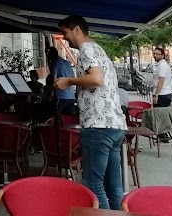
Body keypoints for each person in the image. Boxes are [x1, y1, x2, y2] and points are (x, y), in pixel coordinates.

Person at [54, 15, 128, 211]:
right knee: (114, 187)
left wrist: (69, 81)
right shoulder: (98, 49)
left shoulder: (86, 49)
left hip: (98, 126)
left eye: (66, 32)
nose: (65, 37)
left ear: (77, 30)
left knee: (94, 184)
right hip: (115, 125)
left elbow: (96, 79)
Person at [152, 46, 172, 145]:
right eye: (154, 53)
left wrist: (156, 95)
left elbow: (161, 81)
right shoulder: (161, 65)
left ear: (162, 55)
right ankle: (164, 135)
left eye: (157, 54)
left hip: (162, 94)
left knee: (163, 116)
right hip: (165, 93)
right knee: (164, 116)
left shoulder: (162, 66)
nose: (155, 55)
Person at [47, 46, 76, 114]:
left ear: (51, 54)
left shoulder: (54, 63)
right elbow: (74, 78)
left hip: (61, 96)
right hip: (71, 96)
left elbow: (54, 79)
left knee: (60, 119)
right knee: (70, 120)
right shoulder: (67, 63)